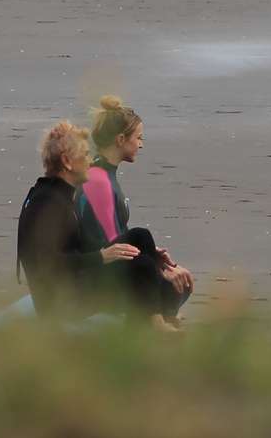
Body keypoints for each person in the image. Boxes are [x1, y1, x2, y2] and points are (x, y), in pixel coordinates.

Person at [77, 95, 194, 326]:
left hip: (113, 264)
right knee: (158, 270)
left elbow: (122, 235)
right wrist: (152, 263)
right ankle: (154, 322)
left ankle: (163, 315)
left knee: (179, 278)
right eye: (138, 138)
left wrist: (155, 256)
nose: (141, 144)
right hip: (96, 275)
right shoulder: (98, 180)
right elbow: (113, 244)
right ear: (121, 139)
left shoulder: (104, 173)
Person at [15, 120, 142, 321]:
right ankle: (154, 318)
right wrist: (101, 257)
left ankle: (156, 315)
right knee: (138, 258)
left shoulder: (52, 194)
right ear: (67, 161)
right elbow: (49, 264)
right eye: (84, 155)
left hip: (71, 289)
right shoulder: (49, 204)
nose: (90, 161)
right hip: (62, 303)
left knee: (138, 237)